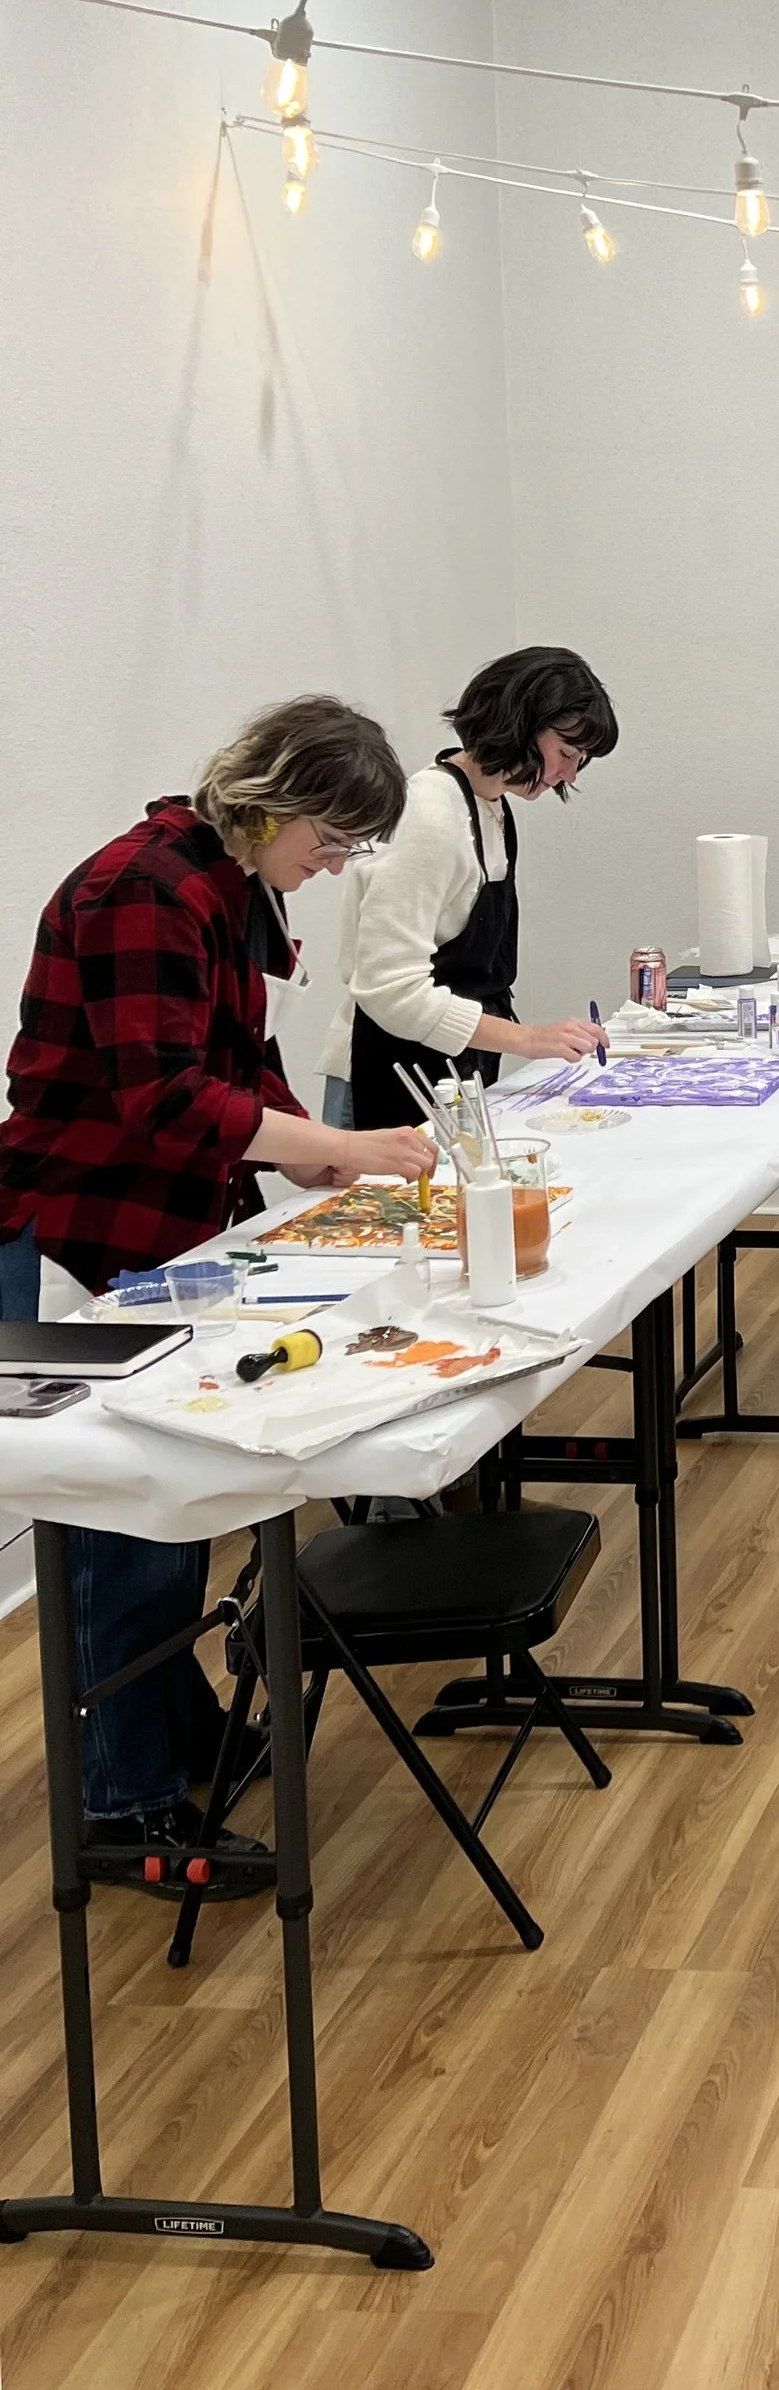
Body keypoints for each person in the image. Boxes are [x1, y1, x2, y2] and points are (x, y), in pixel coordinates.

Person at [0, 697, 435, 1888]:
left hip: (165, 1227)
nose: (334, 865)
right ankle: (124, 1809)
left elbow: (239, 1058)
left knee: (175, 1502)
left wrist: (303, 1144)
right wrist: (341, 1150)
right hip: (85, 1228)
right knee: (120, 1518)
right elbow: (163, 1098)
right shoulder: (144, 890)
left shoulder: (232, 884)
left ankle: (170, 1731)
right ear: (277, 797)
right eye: (333, 841)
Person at [321, 645, 618, 1129]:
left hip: (451, 1071)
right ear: (518, 725)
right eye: (565, 753)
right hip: (387, 1073)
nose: (568, 774)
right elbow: (391, 990)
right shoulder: (430, 814)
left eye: (580, 761)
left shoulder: (492, 807)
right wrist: (529, 1040)